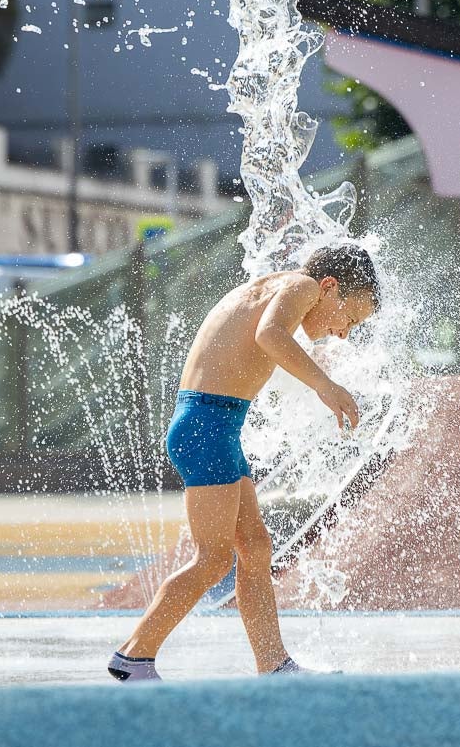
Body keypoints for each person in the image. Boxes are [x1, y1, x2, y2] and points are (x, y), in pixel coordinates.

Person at [107, 243, 380, 682]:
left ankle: (274, 665)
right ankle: (134, 656)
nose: (344, 333)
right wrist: (324, 386)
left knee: (254, 548)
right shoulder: (302, 285)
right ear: (329, 287)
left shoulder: (276, 287)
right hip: (206, 426)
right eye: (349, 317)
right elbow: (268, 336)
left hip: (217, 427)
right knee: (213, 558)